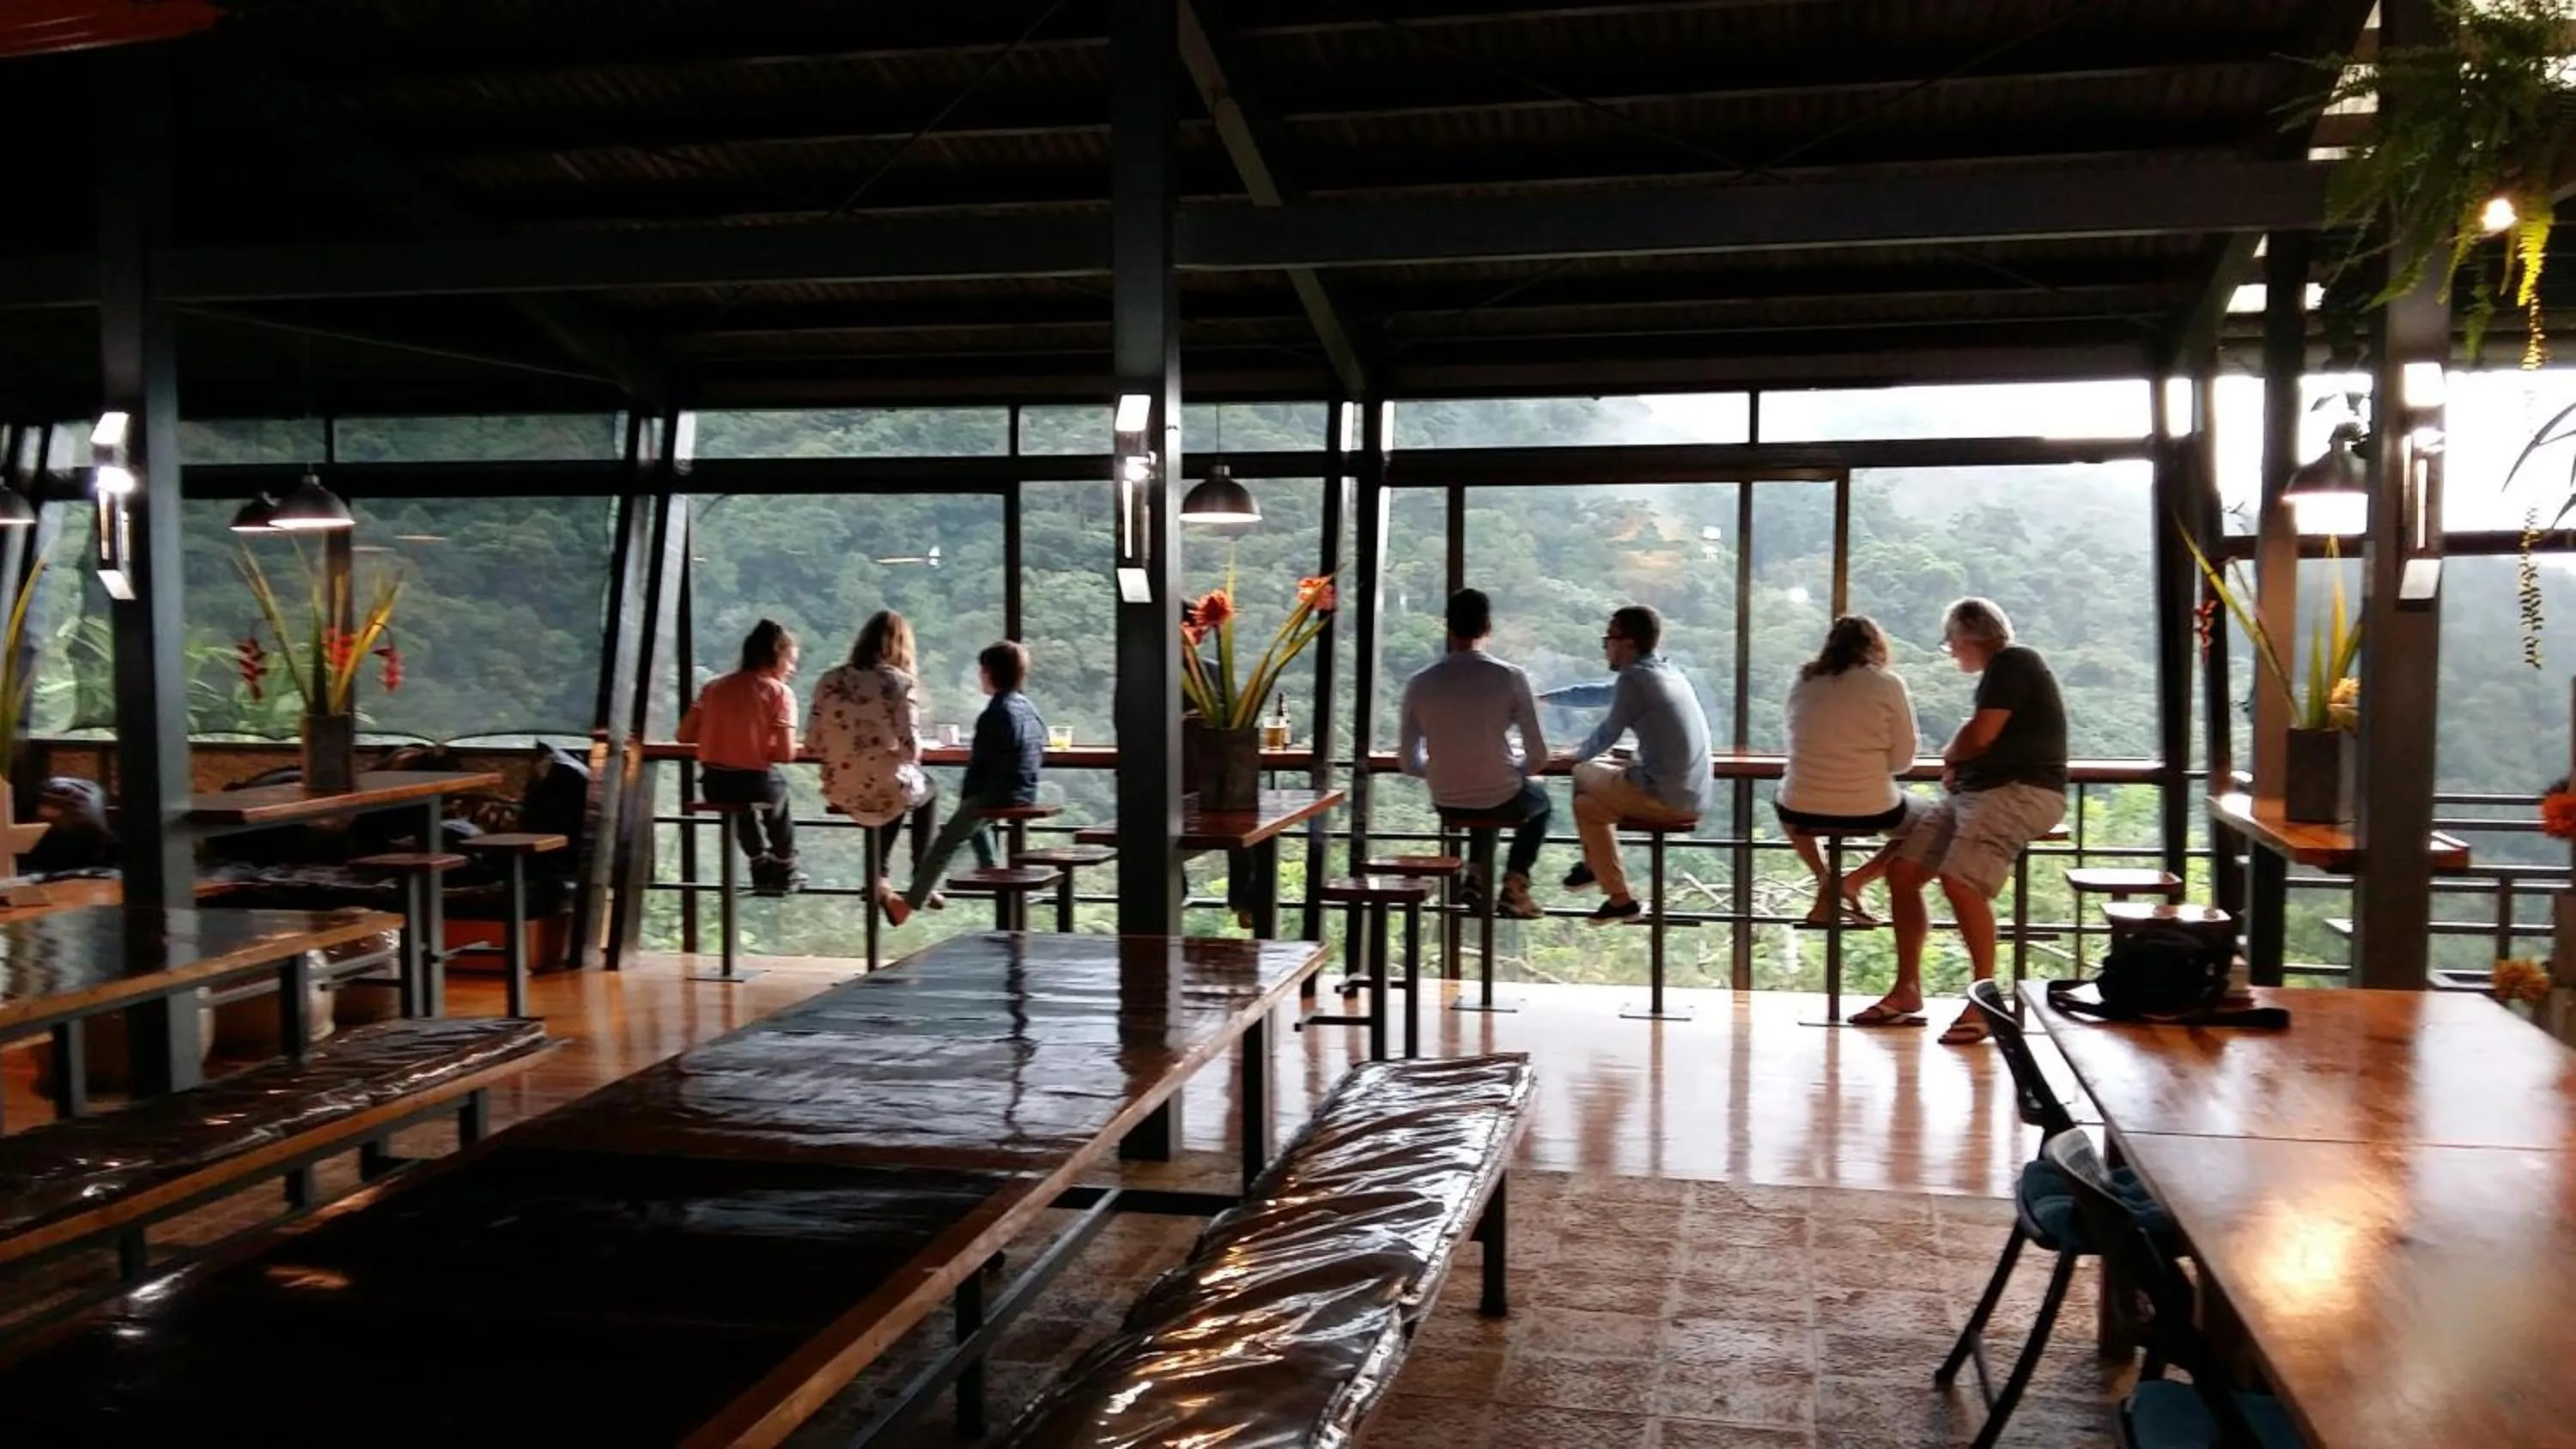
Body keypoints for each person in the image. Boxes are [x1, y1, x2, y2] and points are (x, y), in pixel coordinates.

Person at [1850, 597, 2068, 1043]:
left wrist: (1952, 753)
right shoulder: (2004, 671)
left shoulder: (2012, 663)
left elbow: (1981, 733)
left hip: (2022, 791)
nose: (1950, 651)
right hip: (1978, 791)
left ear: (1968, 636)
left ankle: (1985, 1001)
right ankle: (1907, 990)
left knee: (1961, 881)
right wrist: (1961, 756)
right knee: (1905, 871)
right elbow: (1980, 732)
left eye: (1951, 642)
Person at [1539, 604, 1714, 925]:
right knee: (1587, 807)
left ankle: (1594, 867)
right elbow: (1602, 694)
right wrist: (1550, 697)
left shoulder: (1635, 678)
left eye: (1609, 638)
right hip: (1693, 795)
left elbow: (1608, 732)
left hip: (1664, 795)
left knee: (1582, 771)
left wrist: (1576, 756)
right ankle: (1619, 898)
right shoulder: (1663, 671)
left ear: (1628, 642)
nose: (1606, 645)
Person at [1399, 588, 1550, 919]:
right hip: (1499, 791)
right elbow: (1539, 756)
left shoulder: (1419, 682)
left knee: (1485, 801)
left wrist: (1444, 768)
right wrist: (1516, 768)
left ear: (1448, 627)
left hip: (1446, 798)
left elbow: (1408, 763)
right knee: (1538, 803)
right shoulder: (1510, 677)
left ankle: (1476, 877)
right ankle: (1515, 886)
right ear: (1488, 628)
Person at [1777, 615, 1920, 925]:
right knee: (1930, 820)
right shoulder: (1887, 684)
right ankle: (1854, 881)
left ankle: (1824, 879)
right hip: (1873, 808)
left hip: (1801, 807)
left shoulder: (1804, 680)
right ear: (1876, 647)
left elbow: (1792, 739)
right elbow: (1903, 761)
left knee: (1786, 805)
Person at [806, 610, 945, 924]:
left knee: (887, 788)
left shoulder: (829, 680)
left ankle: (879, 878)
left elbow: (813, 743)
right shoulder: (898, 682)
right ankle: (922, 876)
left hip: (839, 787)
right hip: (886, 787)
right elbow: (911, 750)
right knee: (924, 789)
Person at [902, 640, 1046, 913]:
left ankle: (910, 903)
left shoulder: (995, 713)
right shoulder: (1029, 708)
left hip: (996, 794)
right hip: (1024, 791)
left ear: (988, 673)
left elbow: (980, 765)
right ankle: (990, 869)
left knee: (945, 843)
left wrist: (966, 795)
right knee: (978, 820)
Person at [677, 618, 803, 895]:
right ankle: (785, 866)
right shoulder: (779, 693)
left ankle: (758, 863)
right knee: (776, 795)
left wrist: (722, 735)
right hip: (754, 781)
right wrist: (758, 742)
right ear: (776, 657)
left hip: (714, 783)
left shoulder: (713, 687)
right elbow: (785, 753)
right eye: (790, 661)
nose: (792, 669)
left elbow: (684, 736)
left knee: (742, 809)